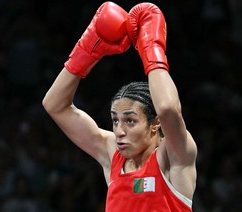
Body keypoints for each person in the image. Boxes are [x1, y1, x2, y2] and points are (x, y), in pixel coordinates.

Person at [42, 1, 197, 211]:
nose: (119, 131)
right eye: (115, 120)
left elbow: (168, 109)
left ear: (154, 123)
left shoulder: (172, 156)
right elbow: (54, 105)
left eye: (130, 121)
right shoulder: (112, 153)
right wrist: (87, 51)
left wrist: (152, 49)